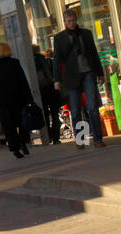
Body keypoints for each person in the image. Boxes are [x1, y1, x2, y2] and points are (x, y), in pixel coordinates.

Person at [52, 9, 105, 148]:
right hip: (71, 77)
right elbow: (57, 60)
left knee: (92, 106)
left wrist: (100, 73)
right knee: (75, 110)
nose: (72, 23)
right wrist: (56, 79)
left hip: (88, 73)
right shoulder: (59, 38)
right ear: (64, 22)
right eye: (69, 21)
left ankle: (98, 139)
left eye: (74, 20)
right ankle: (81, 140)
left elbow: (94, 53)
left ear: (77, 20)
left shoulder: (86, 34)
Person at [0, 42, 34, 159]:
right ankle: (23, 143)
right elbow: (23, 81)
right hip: (18, 98)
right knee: (22, 122)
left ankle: (15, 148)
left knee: (9, 126)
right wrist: (29, 97)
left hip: (2, 102)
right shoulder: (14, 63)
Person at [33, 44, 60, 143]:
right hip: (51, 89)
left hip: (41, 91)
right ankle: (56, 137)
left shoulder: (32, 63)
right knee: (54, 114)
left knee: (44, 115)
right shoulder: (47, 60)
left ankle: (48, 136)